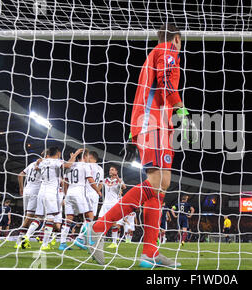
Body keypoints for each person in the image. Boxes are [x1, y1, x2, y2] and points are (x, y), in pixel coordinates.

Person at [83, 23, 197, 268]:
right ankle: (97, 228)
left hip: (158, 124)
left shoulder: (154, 55)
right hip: (153, 122)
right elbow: (166, 82)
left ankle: (150, 252)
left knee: (162, 186)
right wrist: (182, 111)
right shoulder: (167, 50)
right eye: (180, 40)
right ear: (177, 38)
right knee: (156, 184)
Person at [21, 147, 83, 251]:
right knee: (50, 218)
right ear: (58, 153)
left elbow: (36, 167)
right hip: (51, 193)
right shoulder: (56, 161)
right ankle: (44, 245)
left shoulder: (43, 162)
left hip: (41, 192)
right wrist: (75, 155)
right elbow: (68, 165)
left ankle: (27, 236)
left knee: (38, 217)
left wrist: (39, 161)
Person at [59, 149, 101, 251]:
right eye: (87, 156)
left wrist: (66, 194)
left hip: (69, 193)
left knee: (69, 218)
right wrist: (98, 191)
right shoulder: (85, 165)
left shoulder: (71, 165)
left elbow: (64, 182)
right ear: (85, 156)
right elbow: (90, 180)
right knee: (90, 215)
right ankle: (80, 239)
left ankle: (62, 243)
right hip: (79, 192)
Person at [16, 154, 43, 248]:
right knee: (31, 217)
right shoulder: (44, 164)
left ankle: (20, 240)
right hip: (35, 192)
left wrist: (21, 188)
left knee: (27, 217)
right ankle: (20, 241)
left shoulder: (31, 164)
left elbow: (20, 175)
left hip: (27, 190)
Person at [98, 165, 126, 249]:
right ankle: (99, 241)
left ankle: (114, 242)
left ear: (116, 171)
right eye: (110, 169)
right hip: (105, 203)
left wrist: (117, 177)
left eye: (112, 169)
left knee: (114, 223)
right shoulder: (105, 180)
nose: (110, 170)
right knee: (100, 221)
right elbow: (99, 185)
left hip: (114, 204)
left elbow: (124, 187)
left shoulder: (118, 180)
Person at [85, 151, 104, 219]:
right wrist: (97, 191)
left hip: (86, 192)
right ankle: (88, 229)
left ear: (90, 157)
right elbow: (101, 182)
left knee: (84, 214)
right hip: (95, 194)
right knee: (92, 216)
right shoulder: (101, 169)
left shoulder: (87, 165)